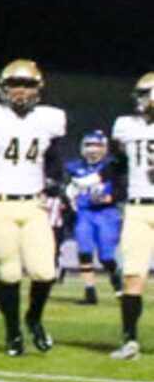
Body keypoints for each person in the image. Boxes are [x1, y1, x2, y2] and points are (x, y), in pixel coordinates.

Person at [0, 59, 68, 356]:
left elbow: (56, 162)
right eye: (15, 85)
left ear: (38, 89)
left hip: (34, 203)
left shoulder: (50, 119)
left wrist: (58, 182)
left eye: (28, 85)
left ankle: (33, 318)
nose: (21, 91)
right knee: (8, 272)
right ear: (3, 89)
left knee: (45, 271)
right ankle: (13, 333)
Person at [110, 73, 154, 359]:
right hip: (138, 207)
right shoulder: (125, 126)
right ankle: (130, 341)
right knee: (132, 275)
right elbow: (120, 164)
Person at [63, 129, 121, 307]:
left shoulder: (112, 166)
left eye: (97, 145)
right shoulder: (73, 167)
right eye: (89, 145)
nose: (93, 149)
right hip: (84, 213)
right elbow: (66, 189)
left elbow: (121, 188)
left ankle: (118, 285)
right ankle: (90, 291)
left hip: (107, 213)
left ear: (105, 147)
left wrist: (110, 198)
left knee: (106, 257)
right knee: (85, 252)